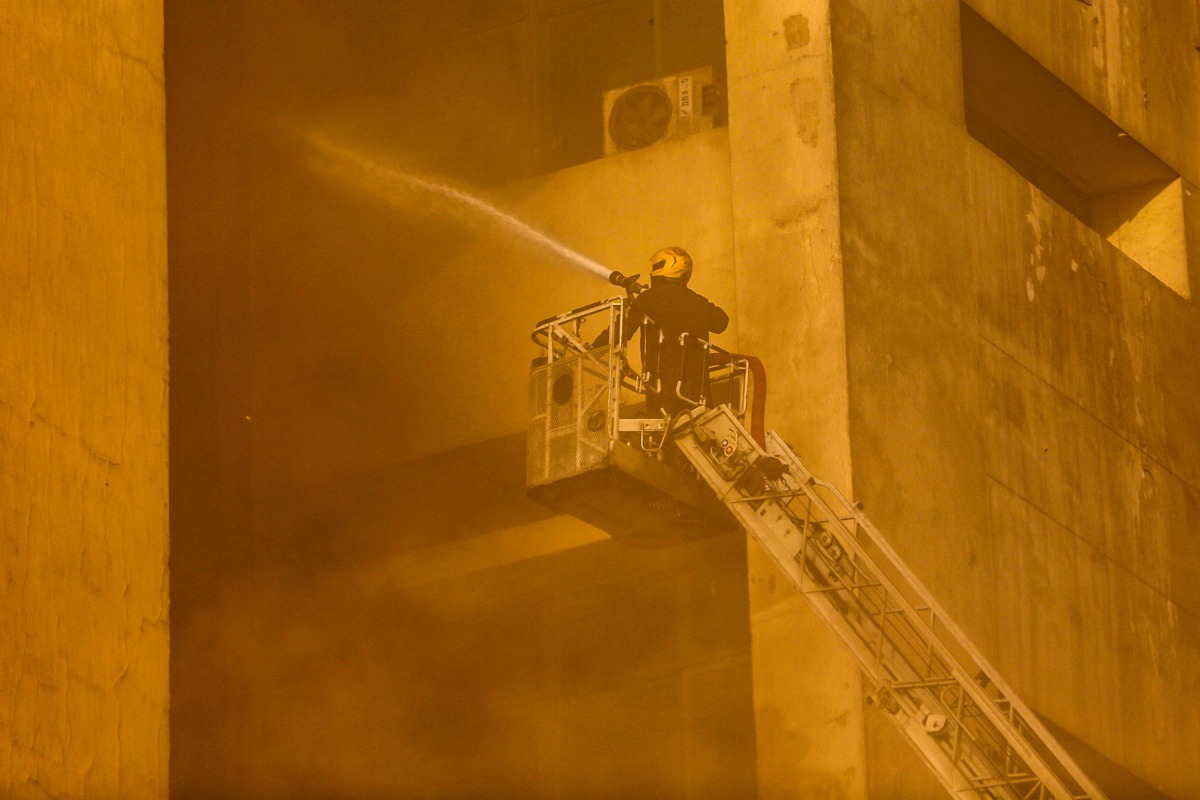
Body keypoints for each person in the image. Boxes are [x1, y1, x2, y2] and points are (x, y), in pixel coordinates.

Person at [624, 246, 729, 416]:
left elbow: (621, 331)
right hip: (697, 397)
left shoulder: (648, 299)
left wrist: (593, 347)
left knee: (661, 441)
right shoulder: (698, 302)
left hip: (660, 395)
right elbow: (721, 322)